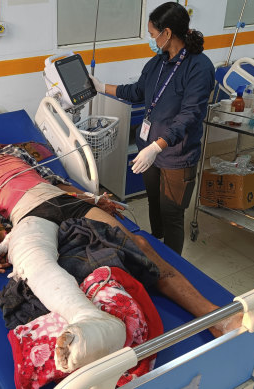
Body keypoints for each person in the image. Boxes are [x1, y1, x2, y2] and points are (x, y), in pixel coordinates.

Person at [0, 125, 240, 372]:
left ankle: (216, 316)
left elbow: (54, 180)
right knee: (35, 265)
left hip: (63, 199)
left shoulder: (14, 152)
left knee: (138, 244)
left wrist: (93, 198)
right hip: (27, 214)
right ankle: (88, 321)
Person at [90, 2, 215, 255]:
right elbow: (136, 91)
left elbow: (189, 116)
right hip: (150, 151)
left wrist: (157, 146)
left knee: (172, 215)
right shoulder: (158, 62)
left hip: (175, 156)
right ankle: (157, 251)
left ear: (167, 33)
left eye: (152, 33)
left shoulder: (199, 68)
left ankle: (173, 266)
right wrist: (102, 87)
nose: (151, 39)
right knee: (155, 206)